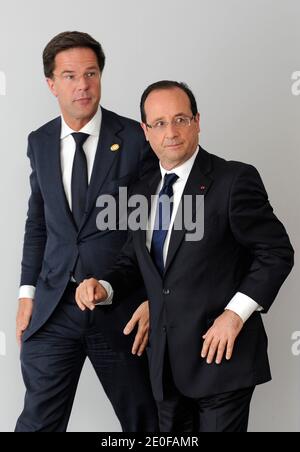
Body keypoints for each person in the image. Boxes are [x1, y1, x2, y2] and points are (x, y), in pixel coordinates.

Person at [76, 80, 294, 432]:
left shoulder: (233, 179)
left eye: (181, 119)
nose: (171, 132)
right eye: (159, 123)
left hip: (222, 358)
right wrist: (104, 286)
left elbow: (276, 252)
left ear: (197, 121)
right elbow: (135, 261)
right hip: (164, 365)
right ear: (146, 131)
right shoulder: (142, 191)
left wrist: (234, 316)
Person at [15, 31, 159, 432]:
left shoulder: (135, 137)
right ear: (51, 84)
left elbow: (157, 225)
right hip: (55, 306)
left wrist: (153, 299)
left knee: (145, 423)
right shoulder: (40, 142)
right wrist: (26, 293)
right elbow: (38, 222)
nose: (83, 85)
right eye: (70, 76)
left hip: (120, 307)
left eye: (91, 73)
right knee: (37, 423)